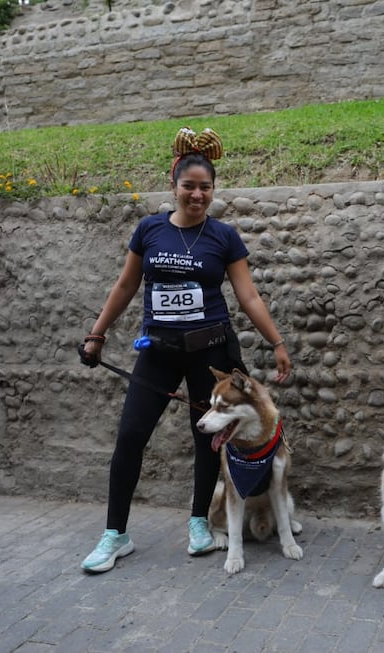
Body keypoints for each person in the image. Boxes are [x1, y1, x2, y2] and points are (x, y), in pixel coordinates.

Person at [78, 126, 292, 573]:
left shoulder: (224, 236)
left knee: (209, 439)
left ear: (213, 190)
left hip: (211, 352)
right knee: (131, 436)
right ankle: (115, 534)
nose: (197, 195)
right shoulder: (149, 229)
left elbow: (248, 296)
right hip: (158, 349)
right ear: (174, 185)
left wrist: (277, 343)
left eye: (205, 188)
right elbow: (125, 284)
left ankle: (199, 523)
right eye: (189, 186)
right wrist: (97, 333)